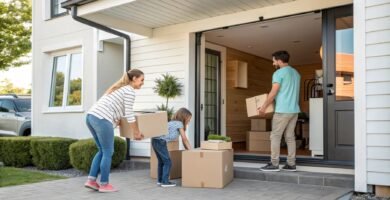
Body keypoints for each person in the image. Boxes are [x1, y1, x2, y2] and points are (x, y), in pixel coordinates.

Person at [84, 69, 145, 192]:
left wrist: (115, 120)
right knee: (108, 152)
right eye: (141, 80)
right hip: (102, 118)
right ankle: (104, 184)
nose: (143, 83)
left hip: (91, 117)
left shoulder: (118, 89)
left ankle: (91, 180)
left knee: (102, 150)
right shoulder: (129, 91)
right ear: (134, 78)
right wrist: (136, 132)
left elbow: (116, 109)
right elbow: (129, 114)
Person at [258, 50, 301, 172]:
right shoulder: (296, 73)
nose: (273, 63)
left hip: (282, 110)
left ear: (279, 61)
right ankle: (291, 164)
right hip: (294, 110)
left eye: (274, 61)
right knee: (290, 137)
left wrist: (263, 107)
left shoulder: (279, 73)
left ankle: (274, 163)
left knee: (275, 136)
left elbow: (274, 92)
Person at [151, 108, 192, 187]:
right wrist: (191, 151)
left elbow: (183, 141)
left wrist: (188, 150)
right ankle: (165, 182)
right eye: (189, 119)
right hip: (160, 142)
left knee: (162, 161)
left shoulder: (172, 122)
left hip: (155, 140)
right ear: (184, 117)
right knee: (168, 162)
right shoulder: (179, 124)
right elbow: (184, 139)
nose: (189, 121)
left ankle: (160, 181)